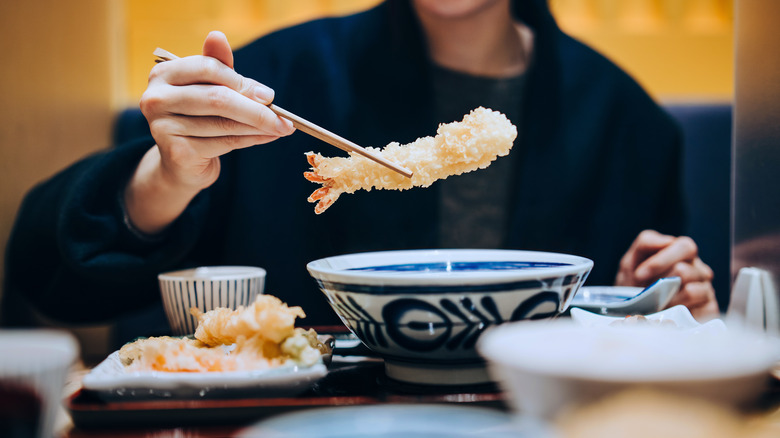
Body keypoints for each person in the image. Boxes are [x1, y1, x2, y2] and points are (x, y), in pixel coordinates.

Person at [2, 0, 717, 343]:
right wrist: (168, 176)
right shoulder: (281, 77)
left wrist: (664, 300)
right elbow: (47, 279)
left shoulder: (624, 119)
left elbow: (652, 308)